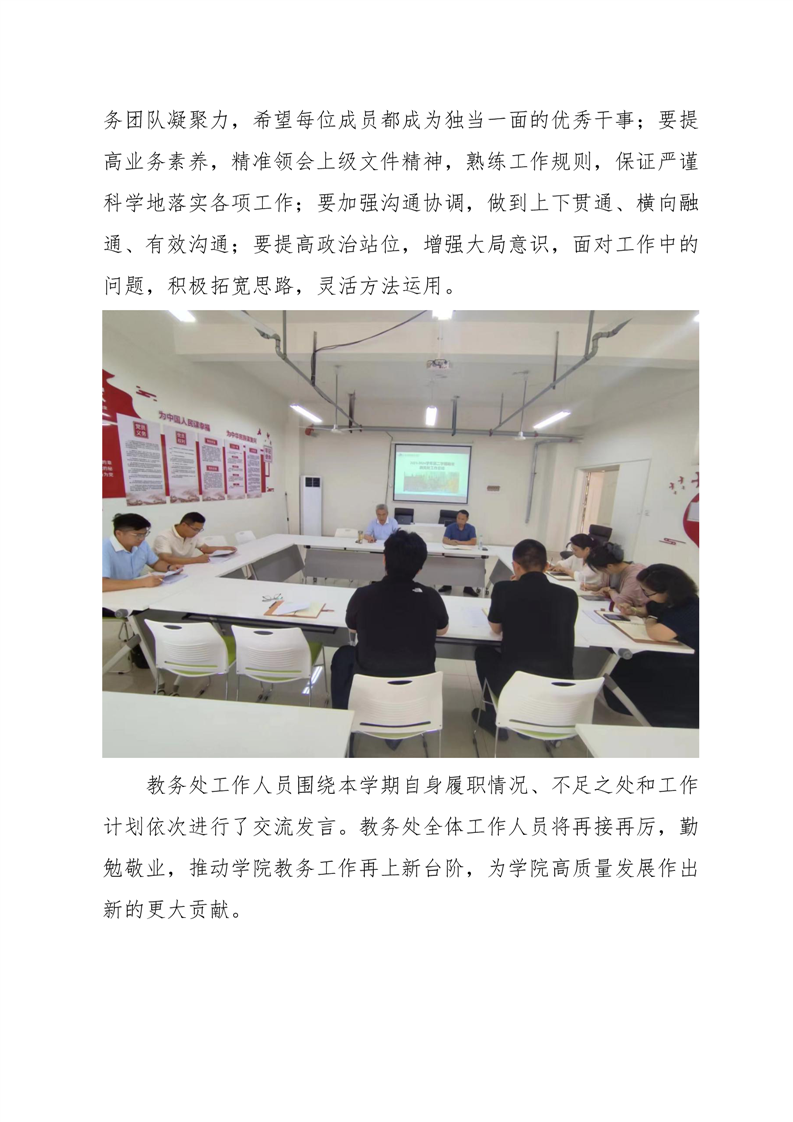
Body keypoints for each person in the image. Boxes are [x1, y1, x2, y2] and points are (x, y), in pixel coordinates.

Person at [331, 530, 449, 749]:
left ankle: (342, 727)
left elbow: (352, 628)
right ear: (420, 567)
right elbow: (442, 630)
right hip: (418, 690)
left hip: (370, 684)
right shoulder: (431, 597)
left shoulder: (363, 595)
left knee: (342, 655)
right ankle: (396, 724)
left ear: (384, 560)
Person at [471, 538, 578, 738]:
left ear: (515, 566)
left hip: (515, 687)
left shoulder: (504, 589)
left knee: (483, 653)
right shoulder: (569, 595)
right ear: (546, 567)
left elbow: (495, 629)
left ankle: (497, 720)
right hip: (558, 689)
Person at [605, 564, 699, 727]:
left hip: (685, 663)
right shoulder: (668, 601)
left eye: (648, 592)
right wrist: (633, 610)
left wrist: (650, 620)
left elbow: (658, 634)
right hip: (668, 651)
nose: (645, 595)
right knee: (613, 653)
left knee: (626, 664)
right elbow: (647, 610)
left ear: (668, 590)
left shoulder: (691, 607)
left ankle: (626, 704)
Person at [102, 512, 182, 593]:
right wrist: (142, 582)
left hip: (135, 591)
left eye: (144, 534)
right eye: (138, 535)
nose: (142, 538)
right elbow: (102, 584)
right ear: (119, 533)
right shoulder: (104, 548)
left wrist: (169, 568)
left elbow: (155, 563)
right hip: (113, 595)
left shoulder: (141, 544)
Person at [583, 542, 648, 610]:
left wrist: (610, 591)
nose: (603, 572)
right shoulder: (612, 570)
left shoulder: (634, 575)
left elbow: (622, 602)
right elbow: (604, 587)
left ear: (609, 566)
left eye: (601, 570)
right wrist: (595, 588)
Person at [153, 512, 236, 565]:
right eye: (196, 529)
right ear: (184, 525)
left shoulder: (193, 534)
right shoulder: (164, 537)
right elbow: (166, 559)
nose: (197, 532)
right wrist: (196, 560)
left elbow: (205, 549)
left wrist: (226, 548)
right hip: (167, 571)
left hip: (186, 567)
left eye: (200, 530)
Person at [440, 510, 479, 596]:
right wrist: (451, 542)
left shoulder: (471, 528)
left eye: (462, 519)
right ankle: (447, 585)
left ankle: (468, 587)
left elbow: (473, 542)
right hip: (452, 553)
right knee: (447, 565)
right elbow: (444, 539)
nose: (460, 521)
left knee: (470, 567)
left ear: (467, 519)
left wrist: (459, 543)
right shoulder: (450, 527)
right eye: (458, 518)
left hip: (467, 554)